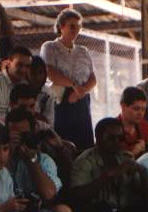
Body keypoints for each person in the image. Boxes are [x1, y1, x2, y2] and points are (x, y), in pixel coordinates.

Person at [40, 8, 96, 151]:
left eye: (78, 26)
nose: (75, 30)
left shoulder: (83, 51)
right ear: (61, 27)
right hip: (59, 101)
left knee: (84, 144)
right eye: (72, 26)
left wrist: (81, 91)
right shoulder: (50, 47)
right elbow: (49, 72)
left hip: (82, 99)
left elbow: (93, 78)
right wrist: (73, 86)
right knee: (62, 145)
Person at [118, 87, 148, 158]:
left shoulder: (147, 128)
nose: (140, 113)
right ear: (123, 106)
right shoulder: (112, 129)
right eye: (136, 109)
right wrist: (132, 153)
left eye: (143, 110)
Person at [0, 46, 32, 124]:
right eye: (19, 65)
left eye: (27, 66)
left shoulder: (27, 85)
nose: (23, 70)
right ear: (9, 63)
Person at [28, 56, 55, 127]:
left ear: (45, 74)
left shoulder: (48, 93)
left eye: (40, 72)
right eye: (33, 73)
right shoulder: (21, 89)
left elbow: (49, 122)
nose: (37, 77)